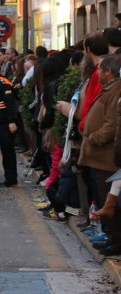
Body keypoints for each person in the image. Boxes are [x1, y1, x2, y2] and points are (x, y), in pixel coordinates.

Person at [78, 54, 121, 255]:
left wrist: (94, 138)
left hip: (106, 157)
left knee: (108, 200)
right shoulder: (109, 89)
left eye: (100, 69)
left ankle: (115, 239)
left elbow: (111, 124)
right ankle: (111, 235)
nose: (97, 72)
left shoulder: (115, 91)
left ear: (108, 72)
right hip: (98, 157)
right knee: (103, 197)